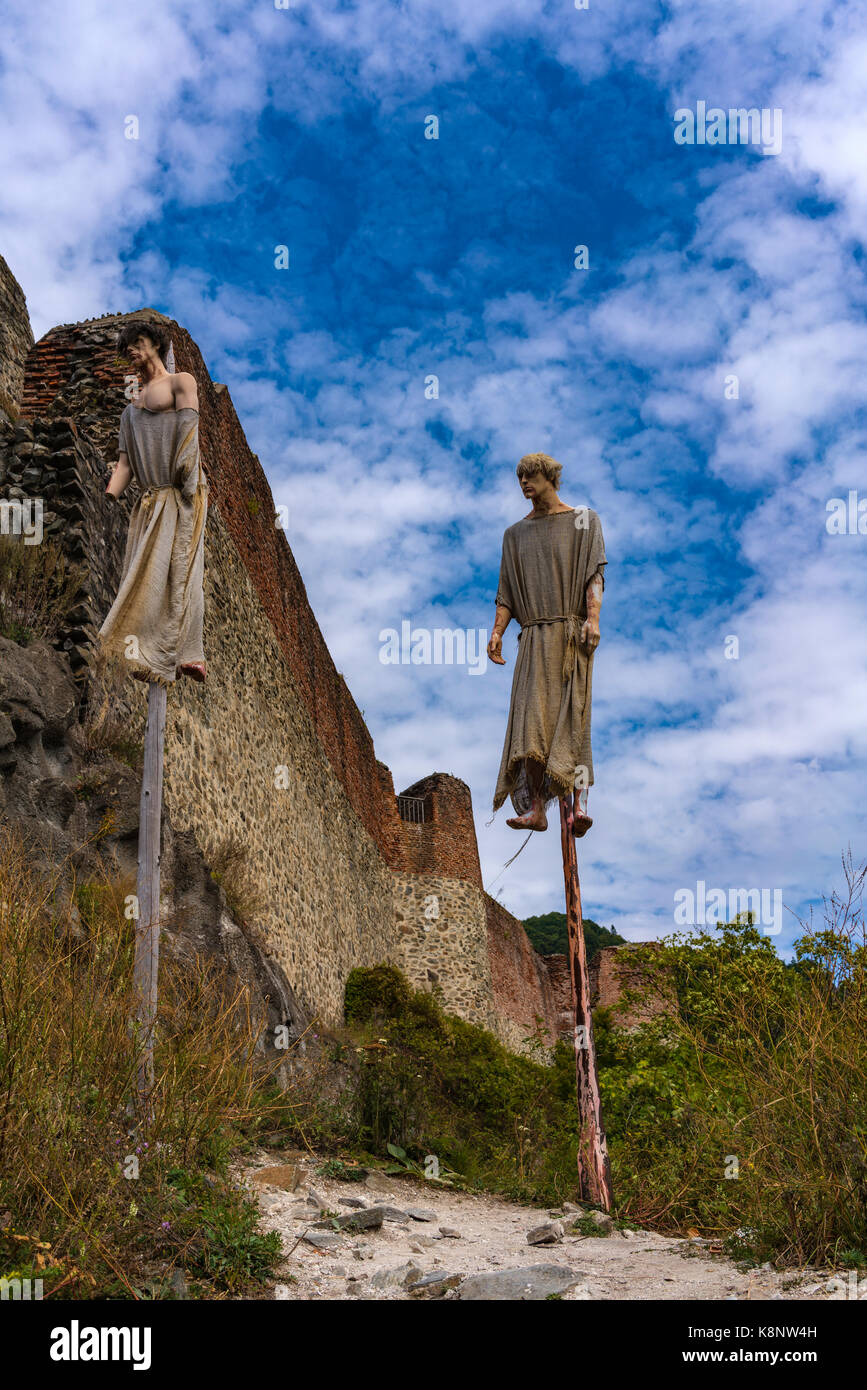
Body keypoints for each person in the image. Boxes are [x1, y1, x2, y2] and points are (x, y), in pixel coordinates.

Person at [488, 452, 606, 835]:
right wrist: (497, 632)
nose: (524, 483)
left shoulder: (584, 521)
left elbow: (594, 576)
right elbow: (506, 595)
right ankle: (537, 808)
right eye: (520, 477)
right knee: (531, 726)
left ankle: (580, 805)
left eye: (531, 476)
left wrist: (593, 619)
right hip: (535, 638)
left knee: (574, 718)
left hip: (571, 635)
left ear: (550, 477)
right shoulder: (514, 535)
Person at [98, 320, 208, 686]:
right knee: (145, 575)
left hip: (181, 492)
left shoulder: (181, 382)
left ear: (156, 345)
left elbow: (189, 432)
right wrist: (110, 492)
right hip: (150, 499)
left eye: (138, 342)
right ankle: (141, 651)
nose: (131, 349)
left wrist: (188, 481)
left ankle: (187, 653)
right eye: (127, 345)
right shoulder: (130, 411)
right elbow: (127, 463)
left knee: (183, 570)